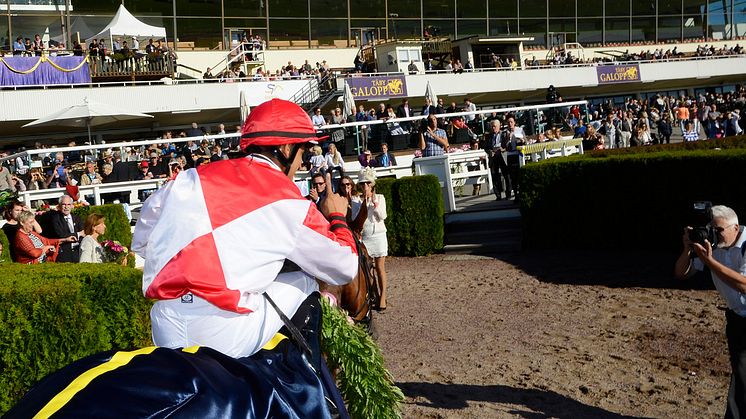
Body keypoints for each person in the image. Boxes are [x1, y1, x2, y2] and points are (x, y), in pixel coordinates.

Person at [132, 98, 358, 359]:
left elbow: (141, 241)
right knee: (307, 281)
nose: (302, 164)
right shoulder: (288, 198)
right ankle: (311, 383)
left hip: (165, 326)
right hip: (224, 334)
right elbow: (344, 267)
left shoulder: (190, 176)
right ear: (286, 148)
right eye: (303, 152)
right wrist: (338, 216)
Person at [674, 205, 746, 418]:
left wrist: (710, 262)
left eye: (719, 230)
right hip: (737, 318)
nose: (714, 234)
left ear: (736, 227)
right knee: (741, 374)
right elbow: (681, 274)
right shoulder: (712, 246)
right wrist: (687, 250)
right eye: (710, 229)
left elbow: (743, 285)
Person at [355, 167, 388, 311]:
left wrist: (375, 205)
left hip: (379, 235)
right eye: (363, 184)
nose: (365, 186)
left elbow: (382, 216)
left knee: (380, 268)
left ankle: (383, 297)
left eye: (368, 183)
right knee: (369, 269)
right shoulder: (356, 200)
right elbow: (356, 219)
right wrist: (364, 203)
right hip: (366, 237)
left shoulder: (380, 197)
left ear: (372, 184)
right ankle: (374, 294)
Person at [47, 195, 83, 263]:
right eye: (64, 204)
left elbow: (83, 233)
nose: (66, 207)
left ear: (72, 206)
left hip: (78, 252)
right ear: (59, 206)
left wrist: (79, 235)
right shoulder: (55, 219)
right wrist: (78, 234)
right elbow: (60, 234)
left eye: (68, 204)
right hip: (63, 253)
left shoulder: (77, 218)